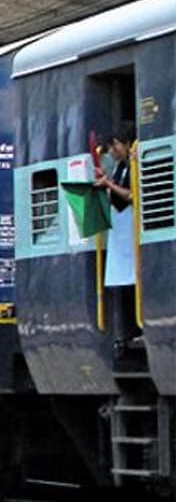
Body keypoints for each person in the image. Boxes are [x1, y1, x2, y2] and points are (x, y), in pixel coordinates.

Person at [95, 122, 143, 352]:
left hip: (131, 231)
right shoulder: (119, 168)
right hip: (120, 235)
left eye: (115, 145)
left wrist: (109, 185)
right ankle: (128, 331)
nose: (113, 151)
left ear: (126, 144)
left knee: (134, 278)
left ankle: (138, 328)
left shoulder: (134, 165)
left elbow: (132, 195)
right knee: (122, 283)